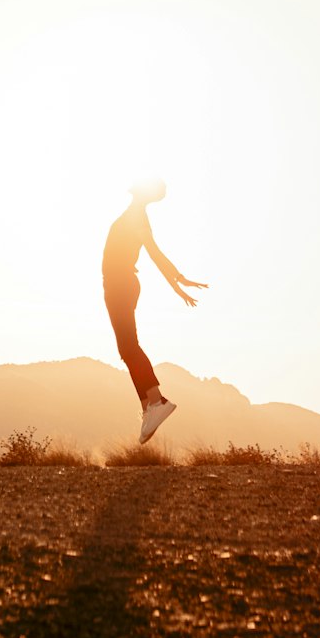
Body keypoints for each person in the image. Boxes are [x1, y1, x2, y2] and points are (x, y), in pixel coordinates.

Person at [102, 178, 208, 443]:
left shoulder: (137, 218)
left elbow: (155, 254)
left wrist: (178, 281)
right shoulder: (134, 215)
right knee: (127, 350)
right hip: (118, 284)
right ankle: (148, 408)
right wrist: (178, 283)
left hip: (120, 284)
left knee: (129, 347)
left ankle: (157, 401)